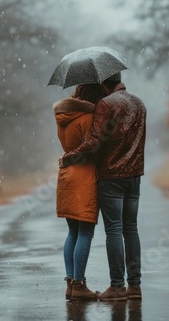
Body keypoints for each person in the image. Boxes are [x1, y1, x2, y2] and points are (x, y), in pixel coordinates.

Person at [60, 73, 147, 301]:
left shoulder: (105, 104)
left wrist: (70, 156)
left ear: (103, 83)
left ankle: (117, 287)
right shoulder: (139, 102)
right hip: (135, 176)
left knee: (114, 231)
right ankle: (135, 286)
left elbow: (94, 142)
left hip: (111, 177)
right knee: (131, 230)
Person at [53, 83, 105, 301]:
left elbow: (70, 147)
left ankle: (70, 284)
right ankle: (79, 284)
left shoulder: (64, 116)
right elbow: (92, 149)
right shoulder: (88, 117)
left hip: (66, 174)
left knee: (72, 232)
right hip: (84, 175)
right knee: (85, 232)